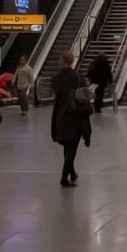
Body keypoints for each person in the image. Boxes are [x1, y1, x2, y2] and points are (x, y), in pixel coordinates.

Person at [51, 50, 91, 187]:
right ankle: (63, 178)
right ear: (72, 61)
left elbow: (56, 92)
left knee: (67, 146)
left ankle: (72, 173)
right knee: (72, 147)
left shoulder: (55, 78)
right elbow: (85, 94)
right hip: (75, 115)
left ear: (62, 60)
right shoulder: (78, 77)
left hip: (60, 116)